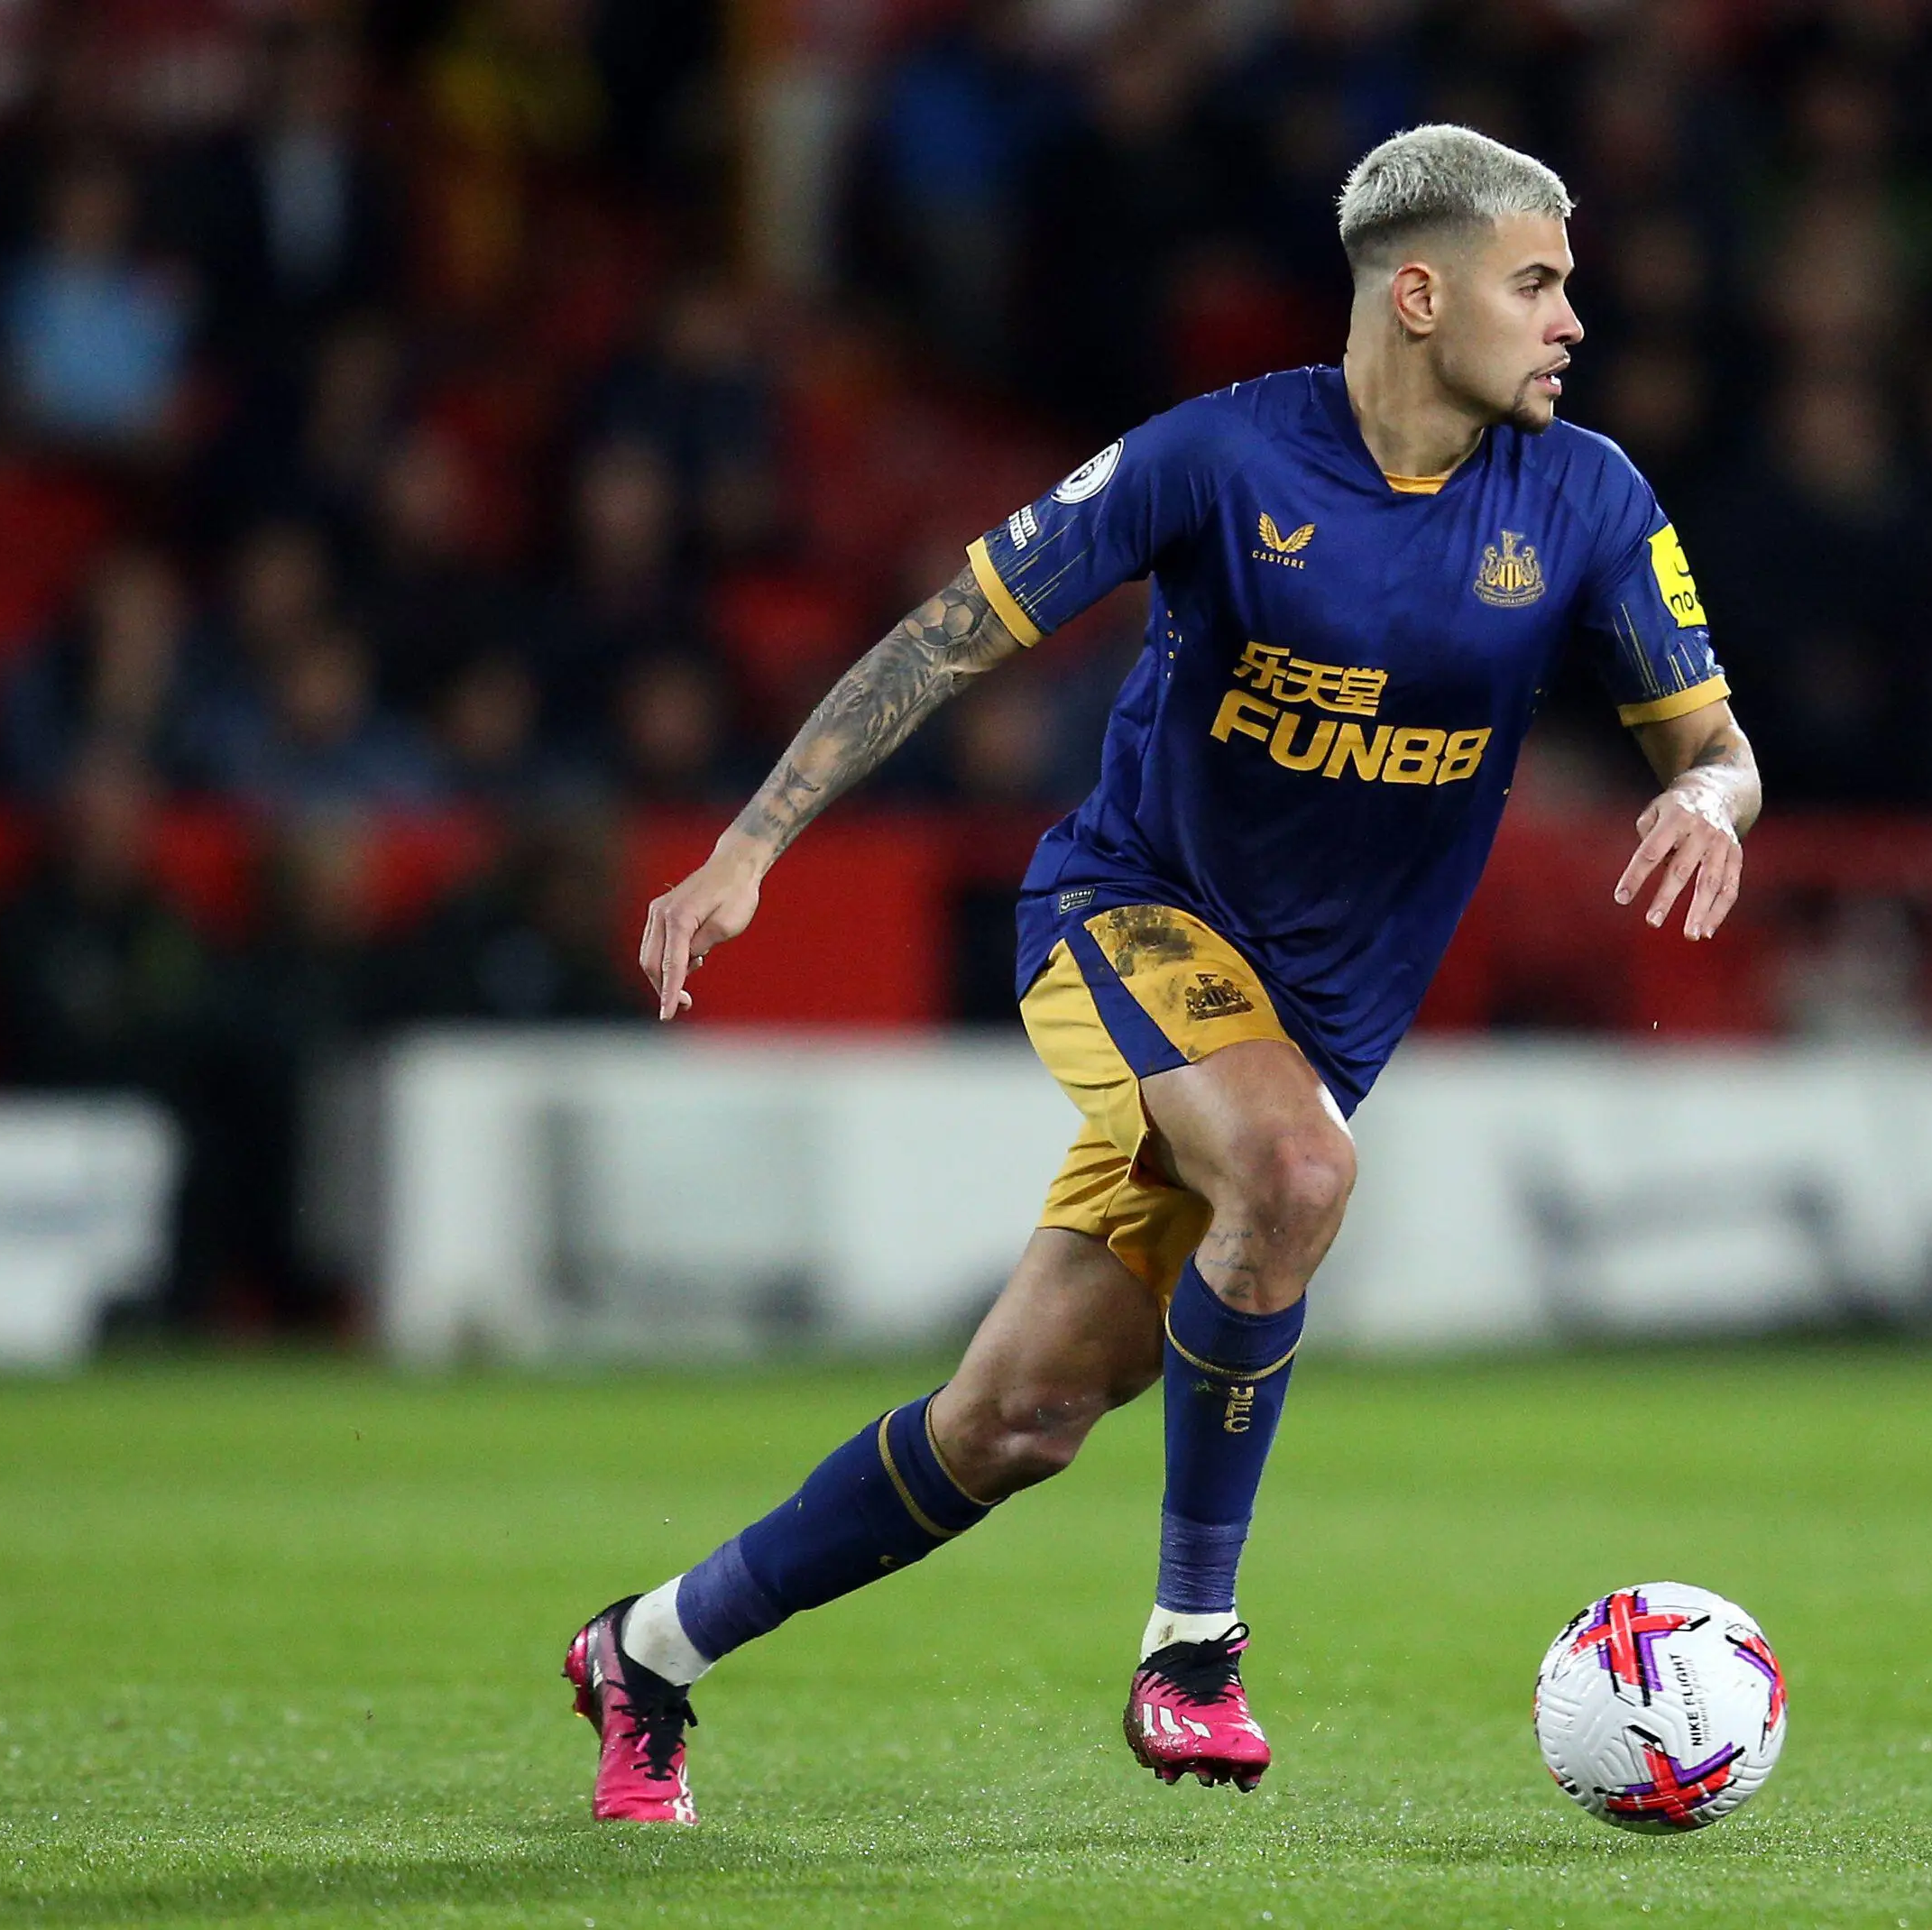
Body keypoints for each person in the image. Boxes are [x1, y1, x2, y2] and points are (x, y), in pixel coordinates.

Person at [565, 125, 1761, 1824]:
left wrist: (1709, 798)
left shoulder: (1587, 499)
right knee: (1295, 1167)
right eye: (1539, 283)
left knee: (1020, 1418)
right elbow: (953, 631)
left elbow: (1715, 744)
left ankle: (649, 1655)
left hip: (1312, 1022)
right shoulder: (1217, 458)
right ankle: (1193, 1650)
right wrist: (754, 843)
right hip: (1127, 920)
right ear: (1419, 296)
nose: (1573, 319)